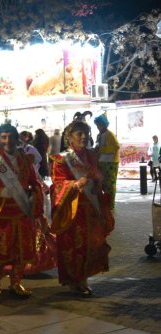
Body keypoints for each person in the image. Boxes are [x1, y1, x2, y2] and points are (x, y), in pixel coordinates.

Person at [0, 124, 44, 297]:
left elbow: (34, 182)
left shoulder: (26, 159)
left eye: (11, 137)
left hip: (22, 211)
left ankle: (16, 282)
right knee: (0, 251)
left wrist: (34, 194)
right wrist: (0, 193)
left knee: (20, 251)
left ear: (16, 138)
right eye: (4, 137)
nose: (7, 141)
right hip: (1, 213)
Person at [50, 121, 113, 296]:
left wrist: (98, 182)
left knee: (91, 245)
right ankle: (75, 280)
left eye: (86, 133)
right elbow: (56, 185)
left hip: (91, 210)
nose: (83, 137)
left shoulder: (92, 156)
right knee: (74, 246)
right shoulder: (61, 160)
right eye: (79, 133)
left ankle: (83, 279)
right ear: (69, 138)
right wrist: (75, 184)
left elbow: (98, 177)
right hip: (72, 211)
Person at [93, 114, 120, 210]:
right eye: (97, 125)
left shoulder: (110, 135)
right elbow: (98, 147)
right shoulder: (99, 135)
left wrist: (102, 150)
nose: (98, 127)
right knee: (102, 183)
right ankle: (104, 203)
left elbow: (116, 146)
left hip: (111, 162)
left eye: (99, 125)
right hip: (101, 162)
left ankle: (110, 204)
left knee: (110, 184)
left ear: (104, 124)